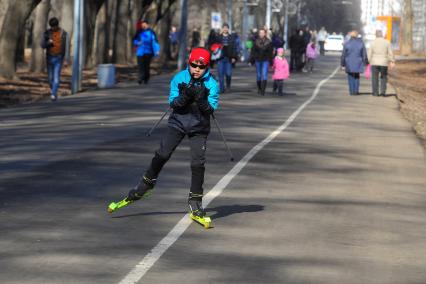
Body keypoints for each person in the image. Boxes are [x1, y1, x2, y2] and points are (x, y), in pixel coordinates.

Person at [124, 47, 219, 218]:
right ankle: (146, 184)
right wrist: (184, 97)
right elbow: (173, 103)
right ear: (189, 63)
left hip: (199, 126)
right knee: (162, 154)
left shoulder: (212, 84)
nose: (197, 69)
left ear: (207, 67)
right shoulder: (179, 78)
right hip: (178, 122)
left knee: (198, 163)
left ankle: (195, 201)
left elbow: (211, 109)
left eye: (201, 66)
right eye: (193, 65)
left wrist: (201, 99)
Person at [41, 17, 69, 101]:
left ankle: (53, 94)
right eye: (52, 27)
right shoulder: (46, 33)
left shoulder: (63, 33)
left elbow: (67, 47)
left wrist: (66, 59)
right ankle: (54, 90)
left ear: (57, 25)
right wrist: (48, 43)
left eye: (54, 26)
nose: (53, 28)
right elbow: (42, 45)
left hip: (59, 57)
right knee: (50, 79)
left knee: (56, 77)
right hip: (49, 57)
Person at [368, 30, 395, 97]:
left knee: (374, 78)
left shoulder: (372, 43)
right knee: (383, 77)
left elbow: (369, 53)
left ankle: (375, 93)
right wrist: (392, 61)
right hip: (384, 63)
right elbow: (390, 53)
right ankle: (383, 92)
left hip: (374, 62)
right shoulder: (387, 42)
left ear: (376, 35)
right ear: (382, 35)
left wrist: (368, 61)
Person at [341, 30, 368, 96]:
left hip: (349, 63)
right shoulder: (361, 43)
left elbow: (343, 55)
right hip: (358, 62)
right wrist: (365, 63)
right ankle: (356, 91)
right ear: (357, 36)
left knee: (350, 76)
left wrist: (342, 64)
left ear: (350, 35)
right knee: (356, 76)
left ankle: (351, 91)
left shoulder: (347, 43)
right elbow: (364, 54)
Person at [133, 20, 160, 84]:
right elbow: (134, 40)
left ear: (147, 25)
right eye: (142, 25)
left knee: (146, 66)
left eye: (145, 25)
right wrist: (137, 42)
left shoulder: (151, 32)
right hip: (140, 52)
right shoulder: (139, 32)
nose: (143, 26)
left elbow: (155, 42)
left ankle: (146, 78)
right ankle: (140, 78)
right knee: (140, 66)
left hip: (148, 52)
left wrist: (157, 50)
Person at [215, 23, 239, 93]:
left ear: (228, 29)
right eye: (224, 28)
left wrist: (234, 57)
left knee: (228, 73)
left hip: (229, 57)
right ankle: (221, 88)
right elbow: (214, 46)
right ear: (222, 29)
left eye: (226, 28)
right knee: (220, 74)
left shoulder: (232, 37)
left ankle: (228, 85)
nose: (225, 29)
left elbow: (234, 48)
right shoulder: (218, 37)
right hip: (220, 58)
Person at [249, 28, 273, 96]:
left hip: (266, 60)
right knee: (259, 75)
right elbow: (253, 52)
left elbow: (270, 53)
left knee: (264, 75)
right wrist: (251, 60)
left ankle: (263, 90)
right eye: (260, 33)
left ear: (265, 33)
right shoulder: (256, 42)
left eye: (263, 33)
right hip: (258, 60)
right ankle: (259, 88)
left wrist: (271, 61)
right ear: (259, 34)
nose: (261, 34)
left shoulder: (269, 42)